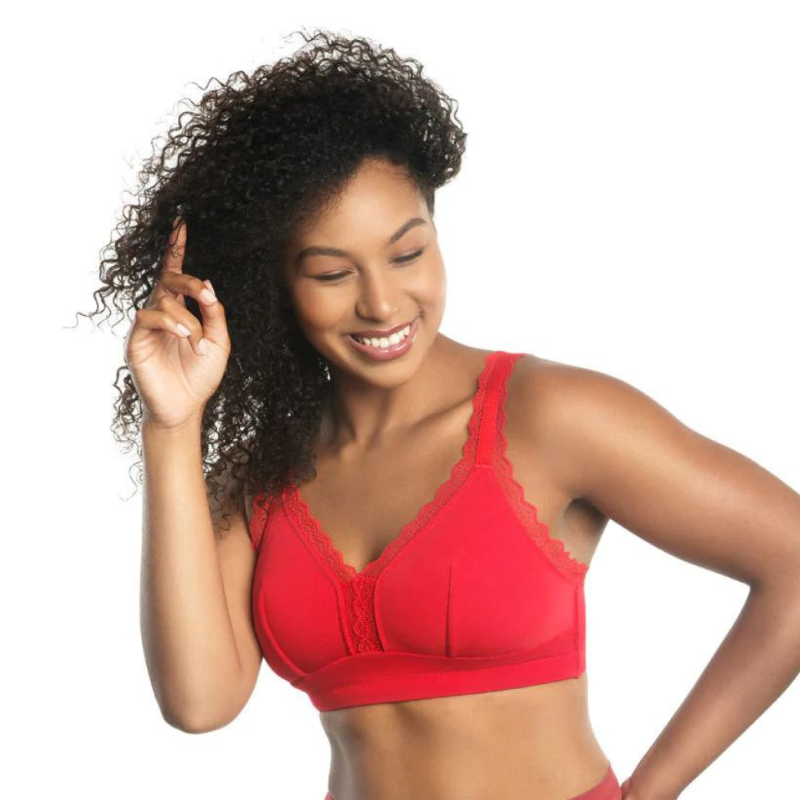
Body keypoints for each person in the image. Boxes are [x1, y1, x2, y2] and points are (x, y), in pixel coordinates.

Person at [86, 29, 800, 800]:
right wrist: (172, 426)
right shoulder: (260, 471)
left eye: (407, 254)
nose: (383, 303)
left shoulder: (551, 416)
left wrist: (651, 792)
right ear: (273, 287)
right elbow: (199, 703)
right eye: (331, 273)